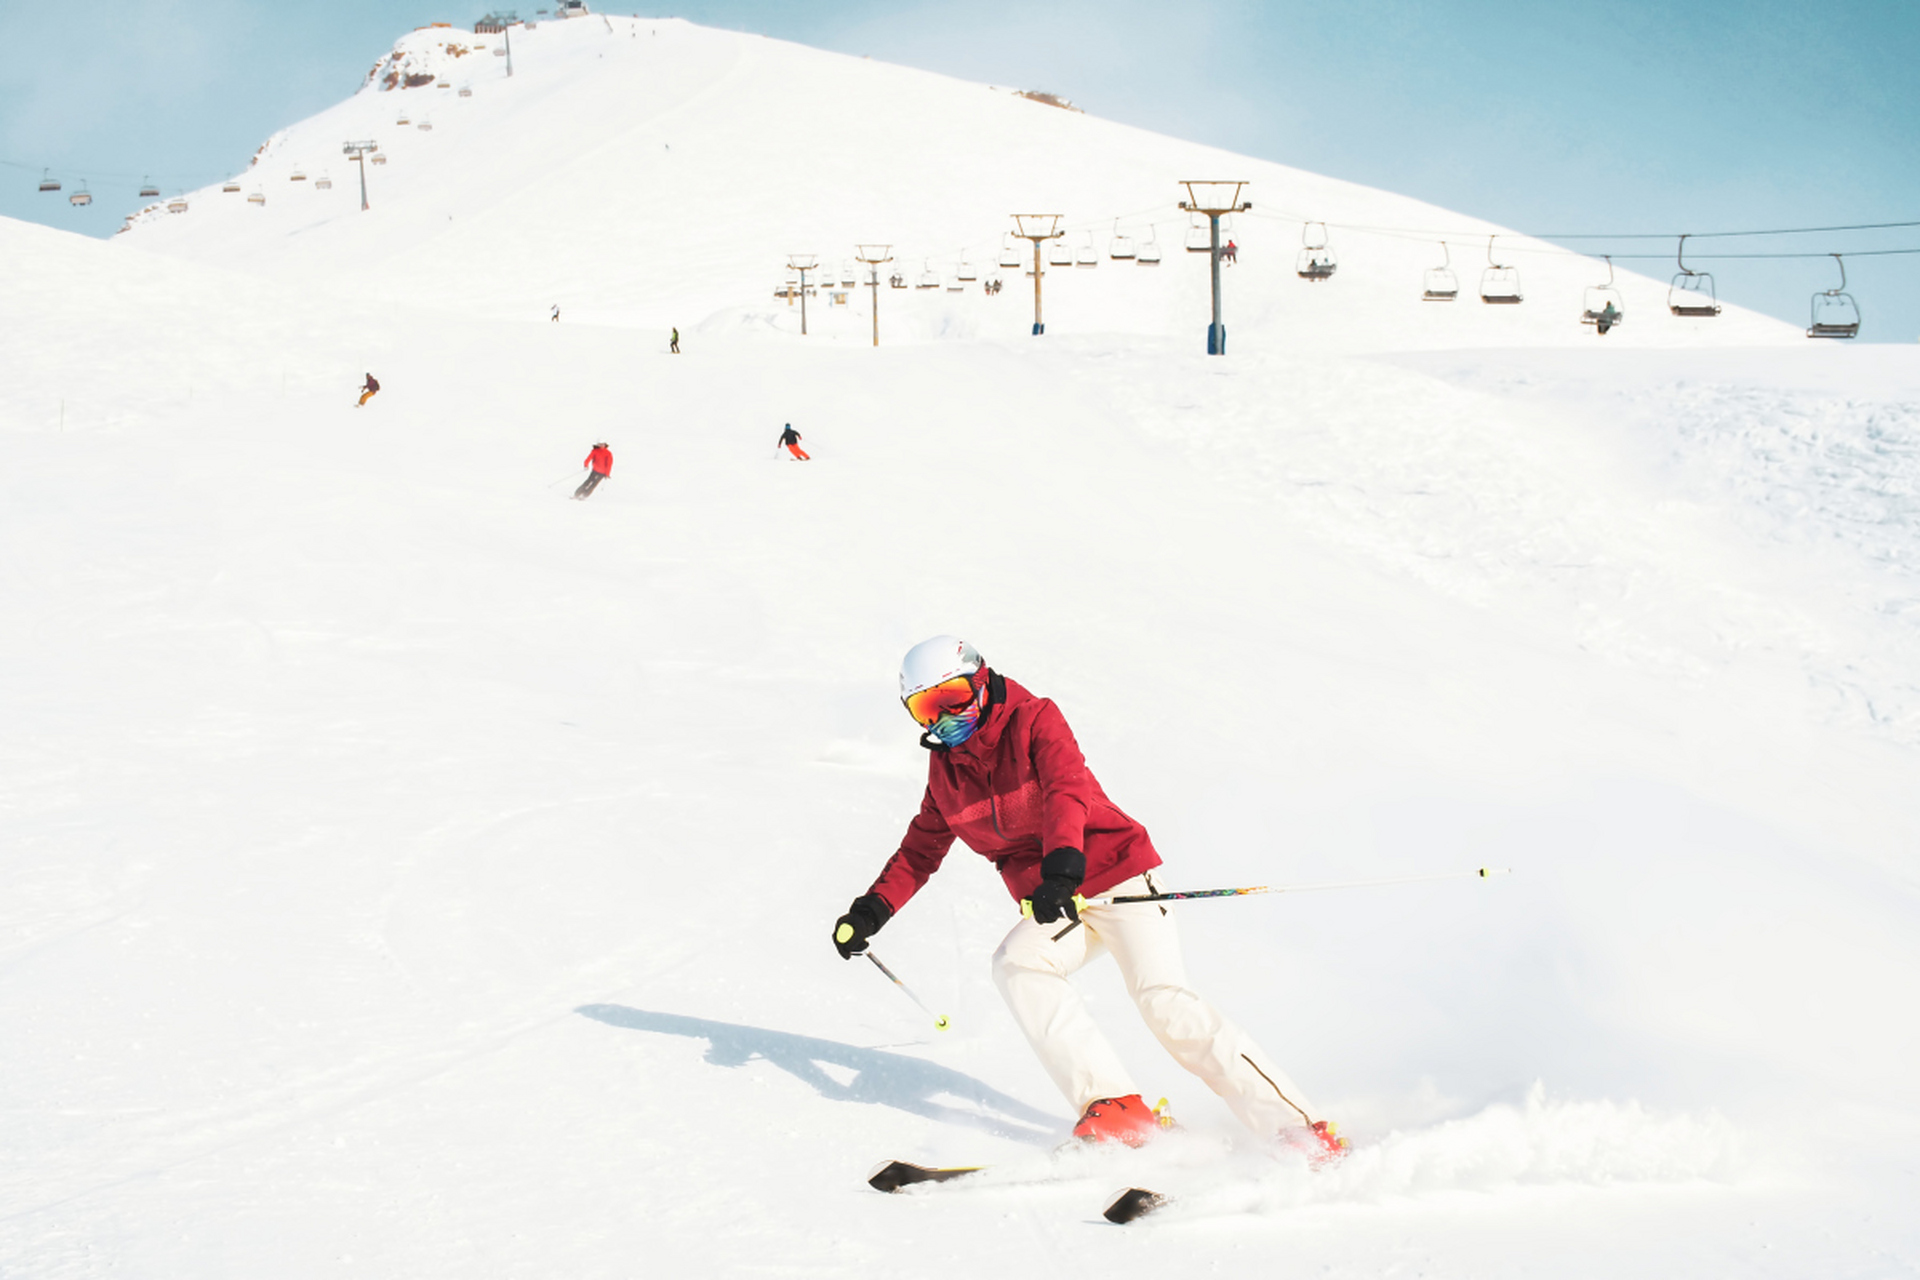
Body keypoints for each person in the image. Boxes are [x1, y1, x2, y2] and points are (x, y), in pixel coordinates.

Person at [833, 637, 1346, 1158]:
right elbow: (920, 850)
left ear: (981, 682)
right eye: (925, 707)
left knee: (1164, 1002)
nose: (943, 717)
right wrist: (870, 911)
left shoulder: (1034, 720)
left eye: (953, 697)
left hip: (1114, 875)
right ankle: (1116, 1106)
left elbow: (1066, 790)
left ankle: (1297, 1127)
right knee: (1018, 964)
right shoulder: (947, 774)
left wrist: (1061, 870)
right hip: (1056, 901)